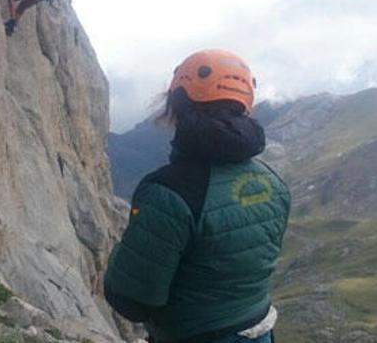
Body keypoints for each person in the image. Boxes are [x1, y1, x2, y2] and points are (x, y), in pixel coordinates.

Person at [103, 49, 290, 343]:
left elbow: (132, 300)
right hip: (260, 333)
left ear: (177, 105)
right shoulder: (274, 184)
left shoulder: (170, 192)